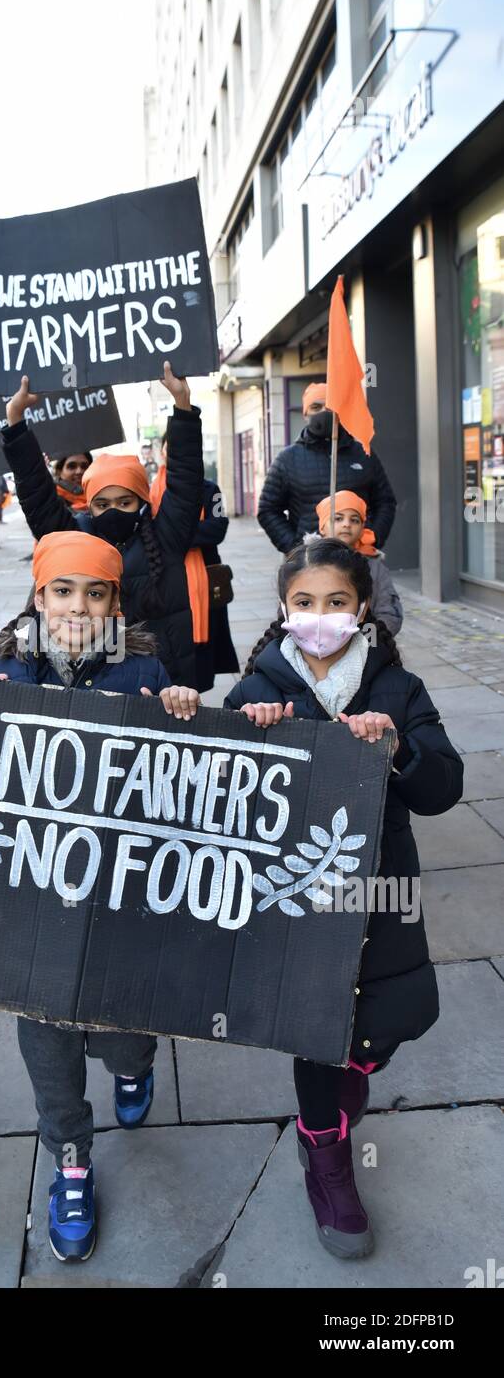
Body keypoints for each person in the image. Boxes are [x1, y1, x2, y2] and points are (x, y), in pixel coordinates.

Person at [0, 529, 200, 1262]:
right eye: (62, 590)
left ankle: (133, 1065)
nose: (76, 606)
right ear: (38, 594)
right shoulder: (2, 673)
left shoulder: (145, 670)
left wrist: (179, 708)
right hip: (33, 900)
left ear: (115, 602)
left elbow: (182, 779)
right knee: (46, 1027)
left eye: (95, 592)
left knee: (122, 1028)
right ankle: (70, 1159)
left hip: (118, 898)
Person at [223, 536, 462, 1259]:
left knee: (384, 1022)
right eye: (304, 603)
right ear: (283, 610)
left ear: (361, 609)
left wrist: (397, 750)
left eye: (335, 602)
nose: (319, 616)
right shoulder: (259, 686)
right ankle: (325, 1156)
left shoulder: (397, 688)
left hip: (380, 889)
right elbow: (223, 800)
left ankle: (350, 1081)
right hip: (294, 899)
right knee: (317, 1033)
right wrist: (247, 739)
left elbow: (442, 789)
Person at [0, 363, 204, 686]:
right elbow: (37, 494)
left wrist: (183, 407)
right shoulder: (73, 537)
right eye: (102, 504)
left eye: (125, 503)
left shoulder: (166, 535)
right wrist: (15, 422)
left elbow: (186, 483)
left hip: (165, 678)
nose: (114, 512)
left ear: (142, 503)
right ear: (89, 505)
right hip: (101, 678)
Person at [257, 382, 397, 554]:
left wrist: (373, 538)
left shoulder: (363, 453)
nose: (324, 412)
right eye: (316, 407)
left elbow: (385, 501)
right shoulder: (287, 459)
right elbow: (268, 509)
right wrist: (295, 547)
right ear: (305, 413)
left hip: (358, 556)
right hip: (308, 562)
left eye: (330, 407)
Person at [150, 431, 239, 692]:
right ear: (163, 451)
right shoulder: (150, 492)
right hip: (164, 579)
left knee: (202, 654)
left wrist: (172, 534)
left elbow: (218, 528)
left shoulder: (211, 489)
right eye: (170, 446)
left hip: (204, 581)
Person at [313, 490, 403, 637]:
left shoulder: (375, 568)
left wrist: (366, 640)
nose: (347, 524)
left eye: (354, 520)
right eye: (338, 518)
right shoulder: (307, 564)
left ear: (363, 529)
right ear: (322, 527)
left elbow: (389, 613)